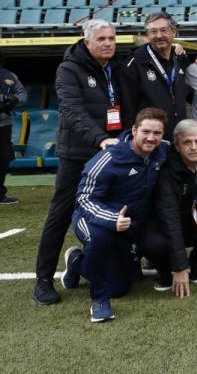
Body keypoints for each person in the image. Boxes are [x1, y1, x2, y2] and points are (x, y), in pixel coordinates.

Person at [33, 20, 127, 306]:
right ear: (87, 42)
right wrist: (100, 138)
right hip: (78, 154)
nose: (108, 43)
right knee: (60, 213)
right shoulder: (69, 69)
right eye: (102, 39)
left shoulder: (116, 66)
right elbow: (72, 110)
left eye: (112, 38)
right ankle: (43, 280)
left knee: (115, 211)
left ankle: (97, 263)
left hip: (111, 153)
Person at [59, 107, 169, 322]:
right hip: (91, 219)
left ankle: (76, 262)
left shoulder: (162, 150)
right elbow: (84, 199)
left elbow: (187, 146)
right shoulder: (109, 158)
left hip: (127, 225)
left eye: (157, 133)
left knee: (119, 288)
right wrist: (111, 219)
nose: (151, 138)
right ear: (134, 130)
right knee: (98, 240)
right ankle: (99, 301)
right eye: (146, 131)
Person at [137, 119, 197, 291]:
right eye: (187, 142)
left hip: (193, 219)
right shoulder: (165, 171)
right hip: (164, 223)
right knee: (152, 244)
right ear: (177, 146)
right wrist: (179, 267)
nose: (193, 147)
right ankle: (164, 271)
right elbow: (169, 217)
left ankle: (196, 264)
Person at [122, 13, 190, 139]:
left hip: (178, 138)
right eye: (153, 31)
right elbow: (127, 108)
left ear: (173, 32)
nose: (159, 36)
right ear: (147, 35)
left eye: (164, 30)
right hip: (150, 141)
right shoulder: (134, 63)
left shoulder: (180, 58)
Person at [0, 62, 26, 205]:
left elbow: (22, 94)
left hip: (4, 125)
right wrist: (3, 98)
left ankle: (0, 194)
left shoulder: (8, 75)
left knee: (3, 158)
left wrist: (14, 99)